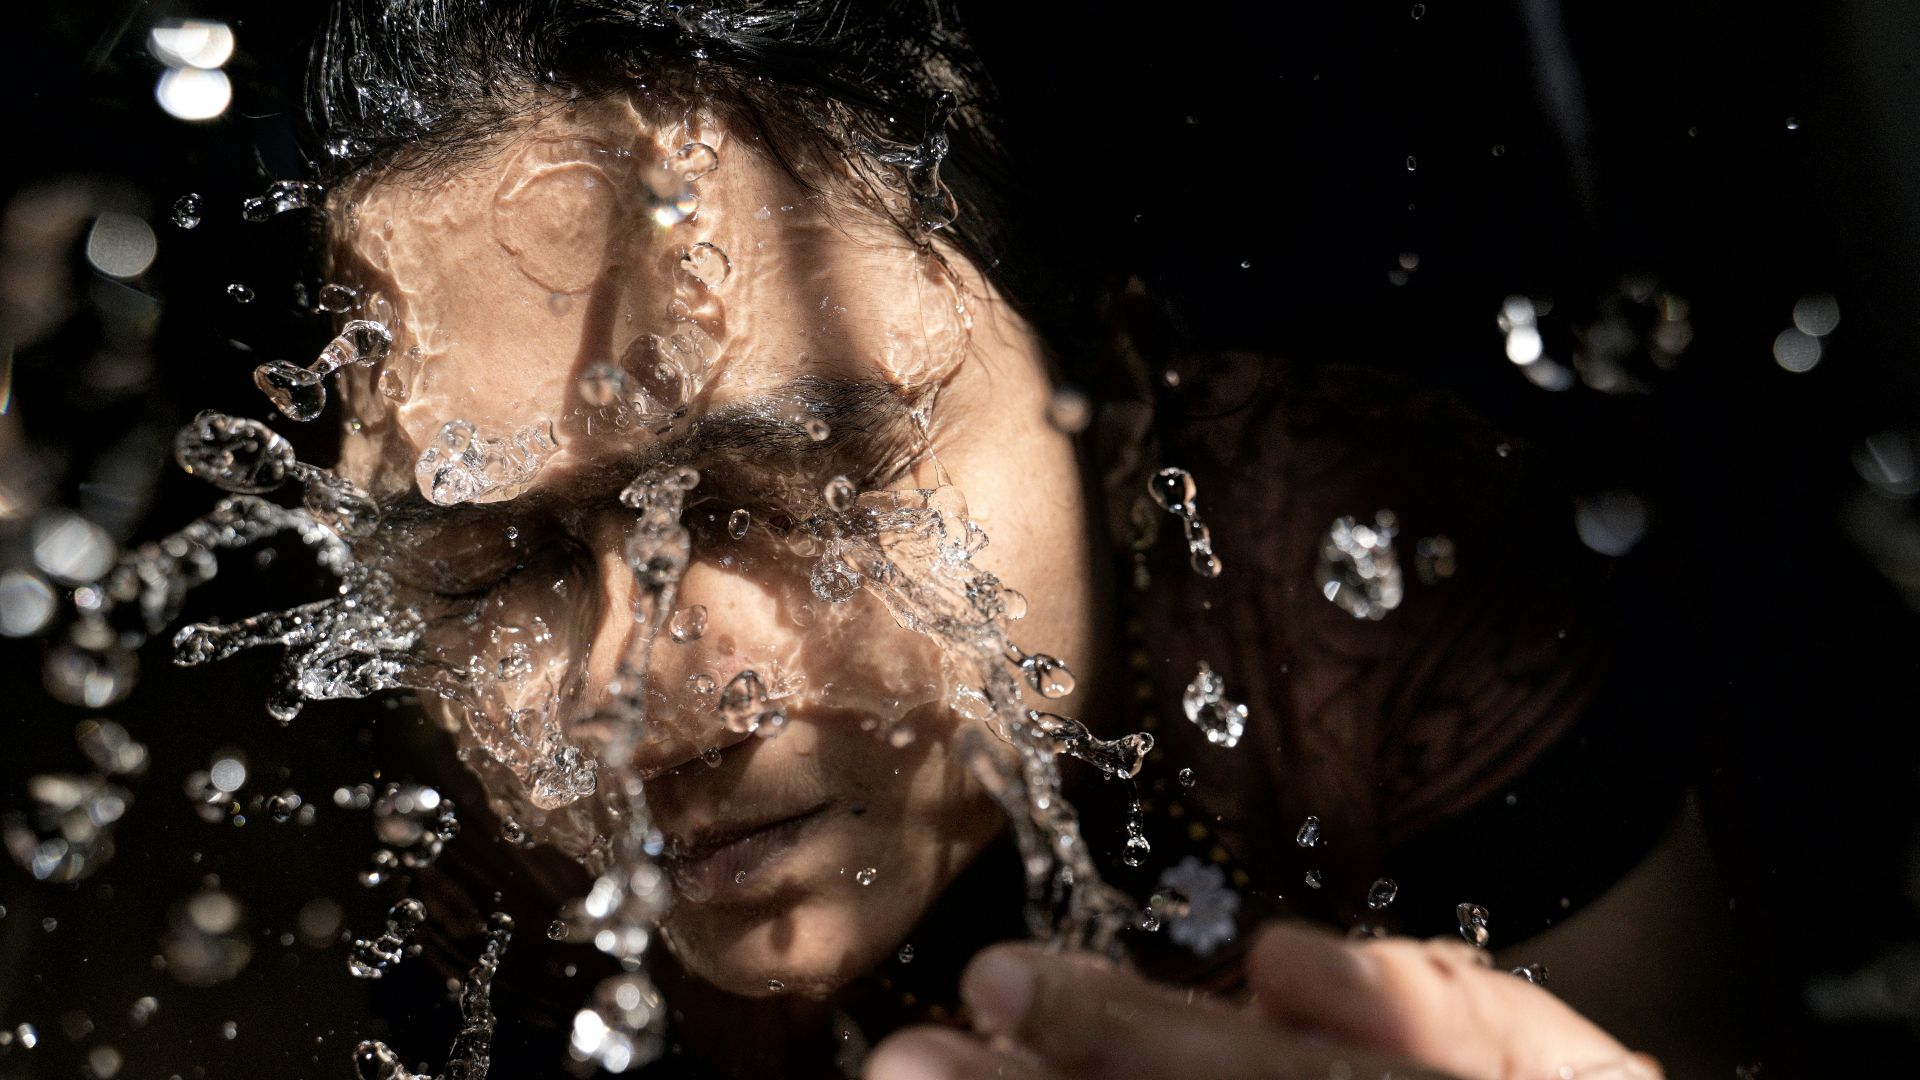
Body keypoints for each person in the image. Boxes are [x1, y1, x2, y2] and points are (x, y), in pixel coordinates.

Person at [301, 1, 1737, 1076]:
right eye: (500, 558)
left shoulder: (1364, 579)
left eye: (791, 484)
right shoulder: (487, 859)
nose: (638, 711)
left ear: (1107, 400)